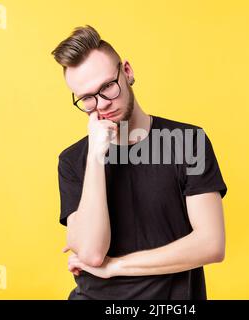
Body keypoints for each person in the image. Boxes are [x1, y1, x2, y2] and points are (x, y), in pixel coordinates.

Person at [51, 25, 228, 300]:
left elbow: (211, 244)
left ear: (128, 72)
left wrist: (117, 267)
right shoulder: (73, 161)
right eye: (87, 98)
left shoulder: (188, 142)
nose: (102, 104)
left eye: (108, 87)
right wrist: (97, 156)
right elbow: (92, 253)